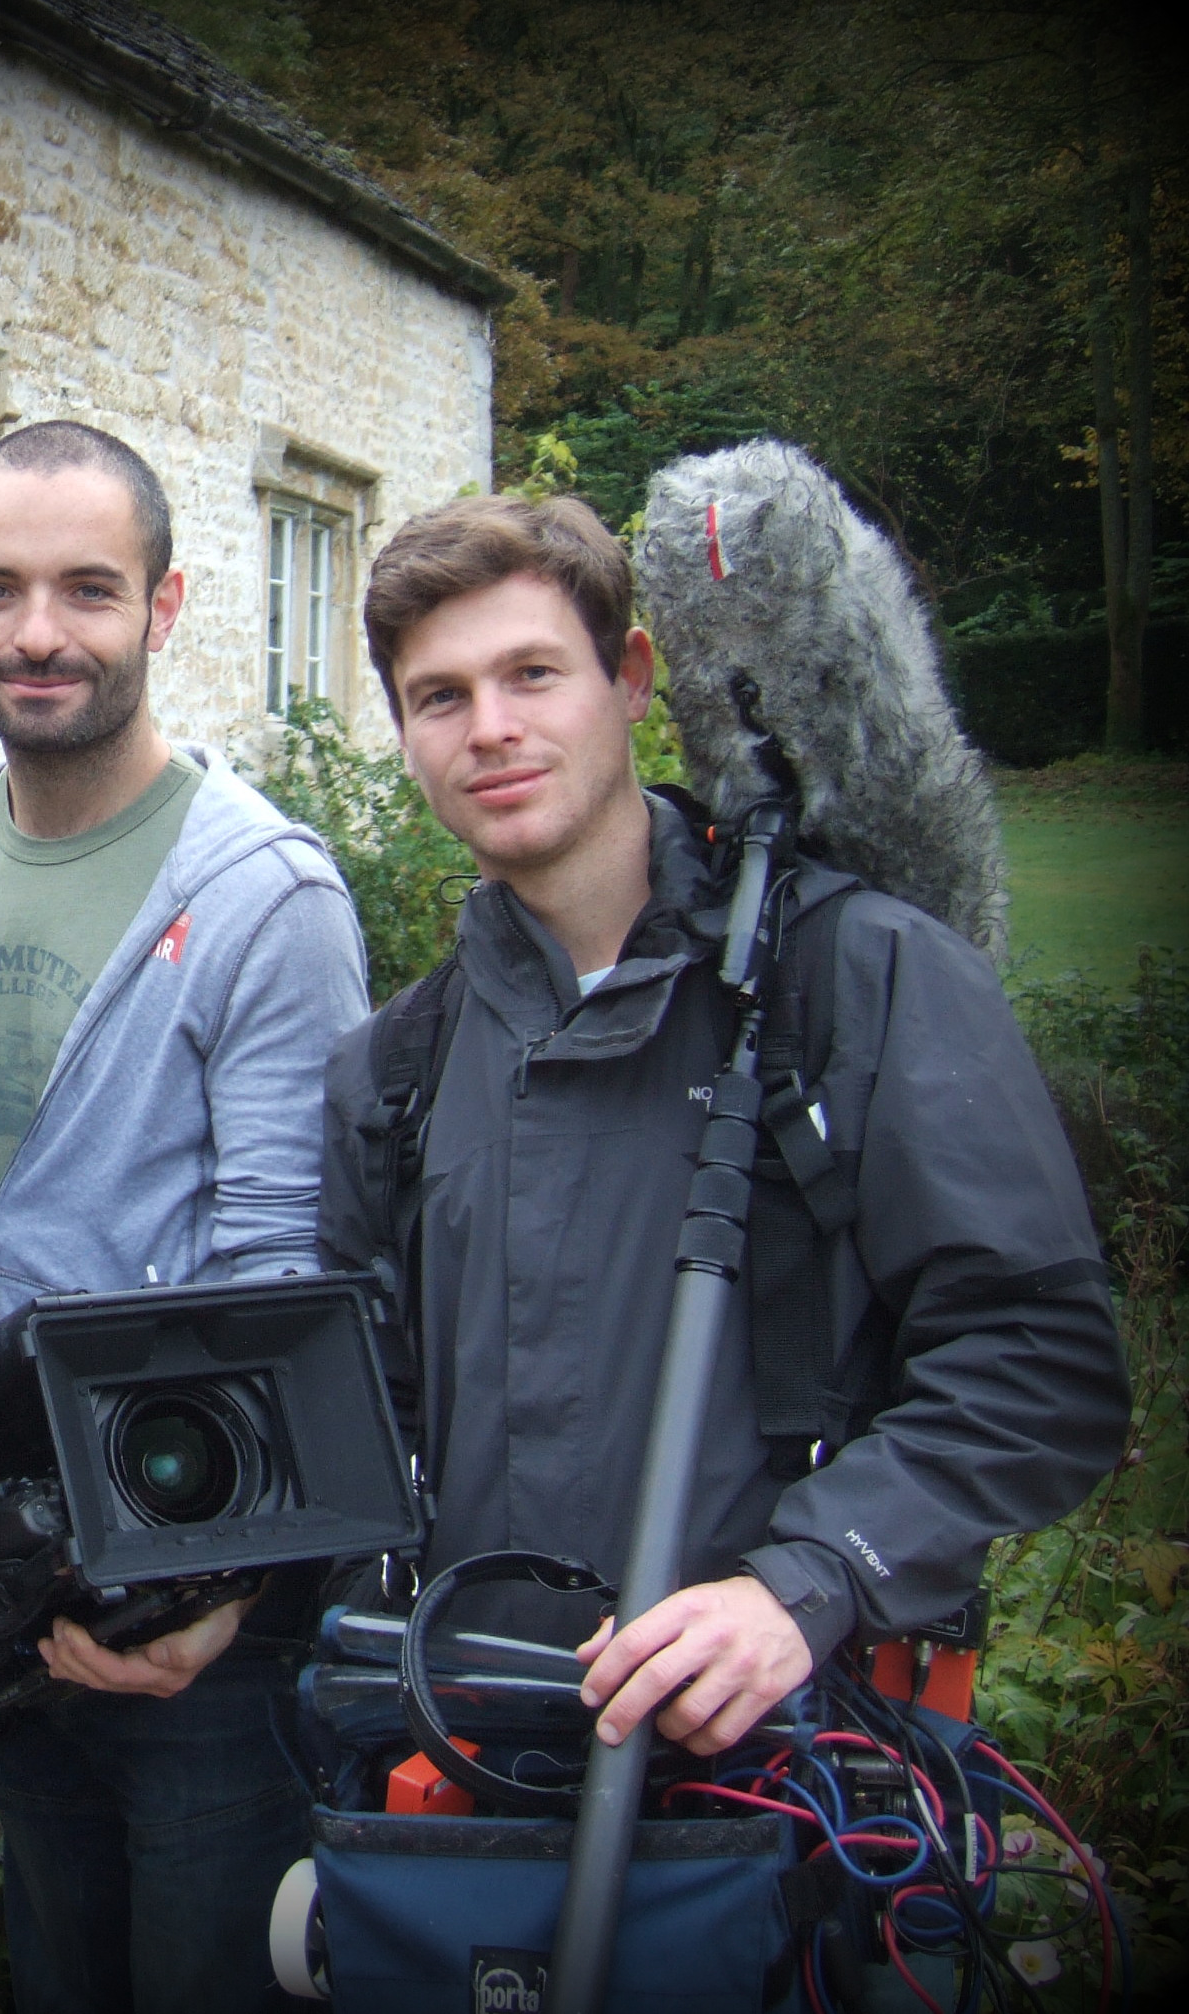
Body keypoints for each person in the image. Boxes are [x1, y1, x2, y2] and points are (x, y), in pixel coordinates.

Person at [317, 492, 1128, 1759]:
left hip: (795, 1764)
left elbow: (1038, 1360)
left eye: (533, 673)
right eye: (441, 696)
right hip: (482, 1757)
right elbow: (366, 1425)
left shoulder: (857, 980)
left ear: (633, 678)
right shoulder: (394, 1069)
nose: (492, 728)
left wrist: (809, 1580)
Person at [0, 421, 372, 2013]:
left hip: (206, 1610)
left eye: (88, 587)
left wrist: (221, 1593)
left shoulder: (266, 895)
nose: (40, 632)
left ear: (165, 605)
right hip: (10, 1570)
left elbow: (290, 1270)